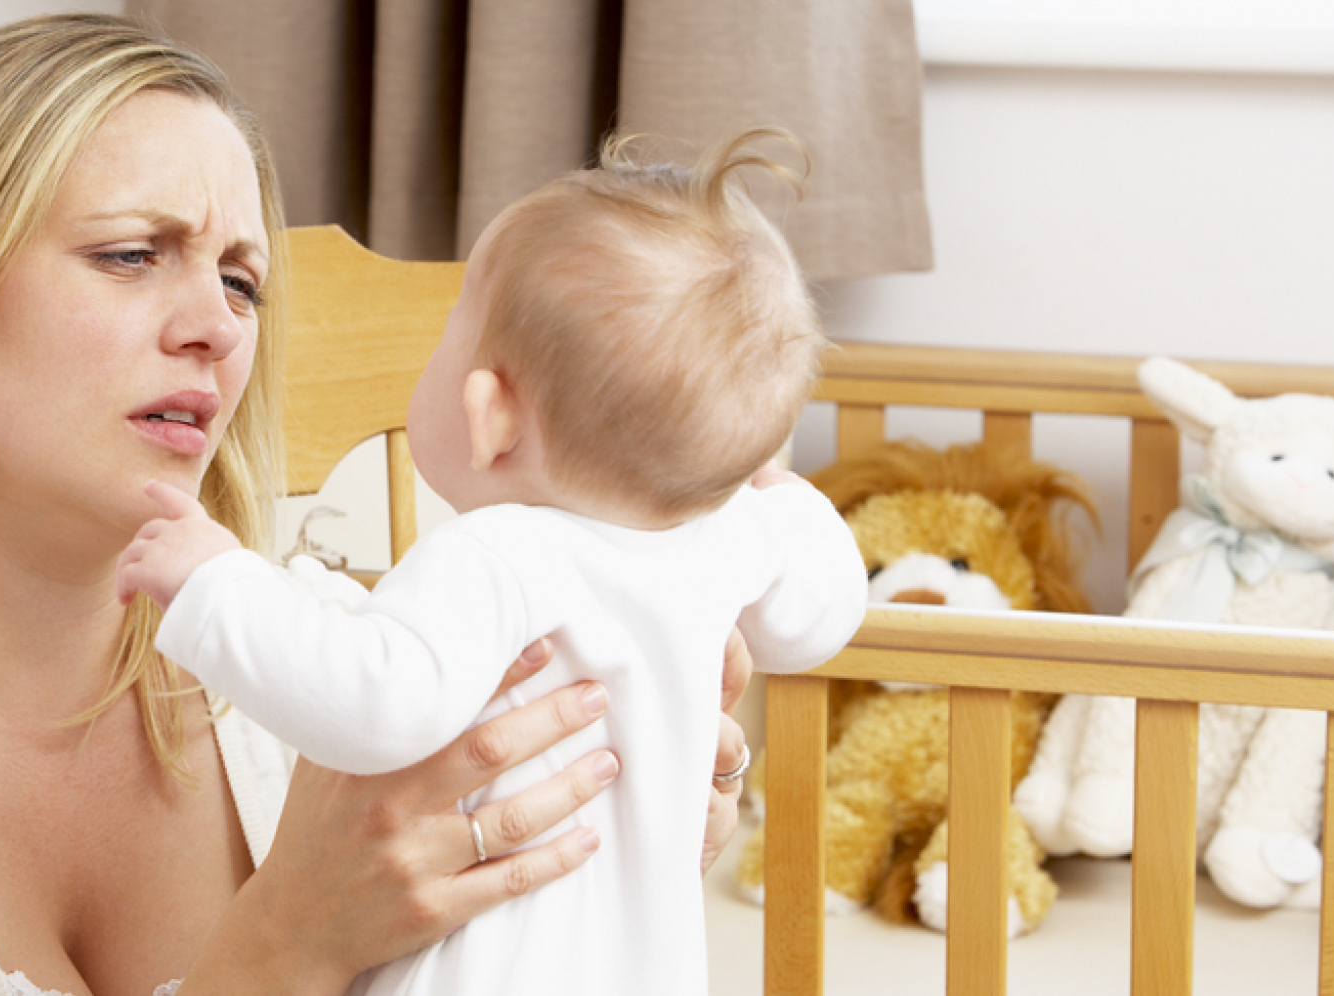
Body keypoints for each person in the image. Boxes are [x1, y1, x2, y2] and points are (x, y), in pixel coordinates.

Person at [0, 15, 759, 996]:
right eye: (133, 254)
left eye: (241, 282)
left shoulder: (313, 670)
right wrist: (282, 949)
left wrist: (597, 838)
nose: (216, 326)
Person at [116, 130, 867, 994]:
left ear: (490, 414)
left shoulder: (496, 552)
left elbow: (375, 700)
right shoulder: (729, 535)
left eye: (449, 334)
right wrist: (776, 494)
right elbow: (823, 613)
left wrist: (213, 582)